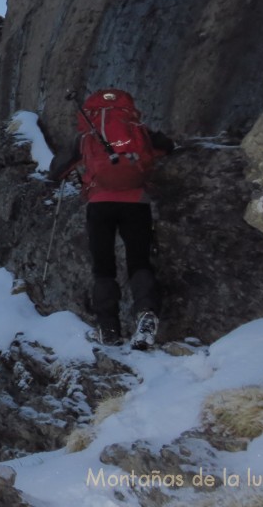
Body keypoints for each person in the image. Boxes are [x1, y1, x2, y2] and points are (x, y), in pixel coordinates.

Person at [48, 89, 175, 349]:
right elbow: (166, 146)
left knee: (103, 267)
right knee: (139, 261)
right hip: (136, 201)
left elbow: (57, 170)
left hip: (99, 204)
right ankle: (146, 315)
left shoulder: (86, 136)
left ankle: (109, 329)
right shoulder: (136, 129)